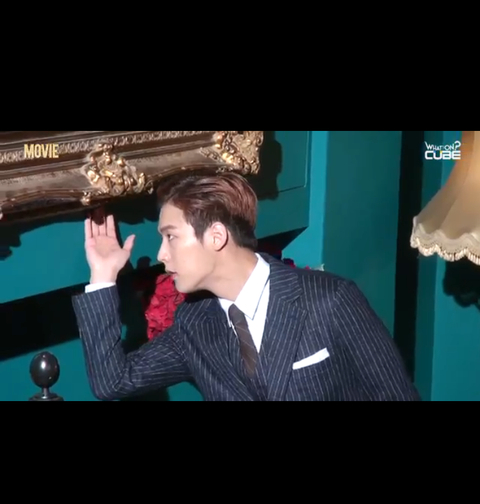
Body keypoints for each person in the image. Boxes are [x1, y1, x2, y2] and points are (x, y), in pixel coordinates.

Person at [72, 171, 421, 401]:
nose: (162, 254)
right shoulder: (195, 325)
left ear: (216, 236)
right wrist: (103, 276)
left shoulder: (330, 300)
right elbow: (113, 382)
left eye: (171, 237)